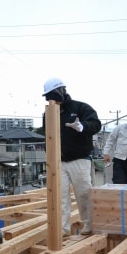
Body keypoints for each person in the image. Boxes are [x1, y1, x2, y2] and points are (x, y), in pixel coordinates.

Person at [42, 78, 101, 236]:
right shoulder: (48, 113)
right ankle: (63, 229)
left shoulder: (80, 107)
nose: (50, 100)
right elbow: (46, 135)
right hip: (58, 161)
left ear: (61, 91)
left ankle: (89, 225)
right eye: (48, 97)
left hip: (79, 159)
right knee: (60, 196)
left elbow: (96, 124)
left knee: (83, 194)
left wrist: (83, 127)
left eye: (52, 96)